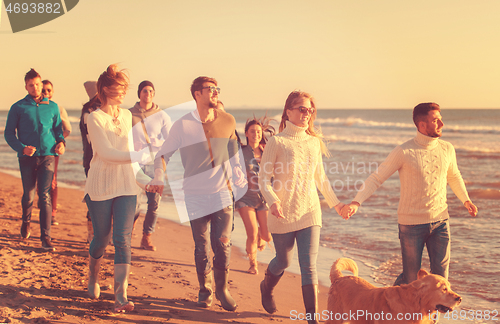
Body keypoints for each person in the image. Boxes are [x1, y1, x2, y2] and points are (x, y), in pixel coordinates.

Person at [341, 102, 478, 287]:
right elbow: (376, 178)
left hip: (440, 222)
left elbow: (453, 176)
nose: (442, 124)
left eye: (441, 119)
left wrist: (466, 200)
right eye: (436, 120)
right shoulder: (404, 151)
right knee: (411, 279)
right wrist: (356, 202)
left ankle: (432, 317)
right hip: (411, 225)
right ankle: (391, 302)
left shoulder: (447, 148)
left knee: (441, 279)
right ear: (422, 125)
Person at [148, 76, 246, 311]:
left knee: (222, 242)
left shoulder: (228, 120)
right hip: (194, 194)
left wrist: (238, 168)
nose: (215, 92)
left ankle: (222, 289)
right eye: (210, 89)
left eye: (216, 89)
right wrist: (159, 176)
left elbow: (233, 146)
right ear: (197, 94)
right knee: (201, 246)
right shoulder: (182, 125)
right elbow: (162, 155)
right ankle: (205, 289)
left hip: (222, 192)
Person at [258, 90, 345, 324]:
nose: (307, 114)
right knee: (283, 262)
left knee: (309, 265)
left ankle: (312, 320)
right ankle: (266, 287)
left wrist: (336, 204)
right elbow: (263, 180)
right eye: (302, 109)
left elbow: (321, 178)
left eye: (310, 110)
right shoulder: (277, 142)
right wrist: (273, 201)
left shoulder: (314, 143)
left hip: (310, 211)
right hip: (282, 213)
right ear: (289, 112)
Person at [84, 64, 151, 313]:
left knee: (123, 239)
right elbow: (106, 153)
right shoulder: (95, 117)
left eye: (125, 88)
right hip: (101, 185)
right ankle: (93, 276)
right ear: (105, 89)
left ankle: (121, 296)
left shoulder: (126, 116)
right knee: (101, 238)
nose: (123, 92)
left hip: (126, 185)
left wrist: (146, 180)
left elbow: (131, 159)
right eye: (119, 88)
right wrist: (137, 155)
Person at [4, 68, 65, 251]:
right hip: (27, 158)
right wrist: (22, 148)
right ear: (26, 87)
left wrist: (61, 142)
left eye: (38, 84)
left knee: (44, 195)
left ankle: (46, 237)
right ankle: (26, 221)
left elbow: (58, 130)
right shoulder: (18, 107)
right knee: (29, 194)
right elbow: (8, 134)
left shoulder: (52, 107)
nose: (35, 88)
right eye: (31, 85)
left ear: (41, 84)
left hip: (47, 155)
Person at [129, 80, 171, 251]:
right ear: (139, 93)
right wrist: (132, 145)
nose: (148, 94)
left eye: (151, 91)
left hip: (155, 164)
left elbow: (172, 140)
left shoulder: (162, 115)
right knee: (134, 202)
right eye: (145, 91)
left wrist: (158, 141)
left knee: (154, 203)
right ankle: (127, 233)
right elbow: (121, 136)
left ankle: (146, 237)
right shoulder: (129, 114)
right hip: (136, 163)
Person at [235, 116, 275, 275]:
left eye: (258, 131)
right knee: (251, 233)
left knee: (267, 237)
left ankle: (261, 235)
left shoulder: (268, 150)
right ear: (246, 133)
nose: (256, 134)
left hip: (264, 199)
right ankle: (253, 264)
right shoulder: (241, 151)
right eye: (252, 131)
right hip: (245, 198)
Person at [41, 80, 72, 226]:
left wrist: (57, 142)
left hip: (52, 151)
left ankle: (52, 213)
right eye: (43, 90)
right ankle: (44, 208)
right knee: (38, 182)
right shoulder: (35, 107)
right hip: (35, 151)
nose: (46, 93)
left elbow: (67, 129)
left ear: (52, 92)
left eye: (48, 90)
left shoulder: (58, 109)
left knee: (52, 181)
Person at [80, 81, 100, 243]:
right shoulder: (89, 112)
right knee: (95, 196)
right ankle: (91, 232)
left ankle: (97, 233)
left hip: (95, 159)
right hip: (93, 160)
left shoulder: (93, 110)